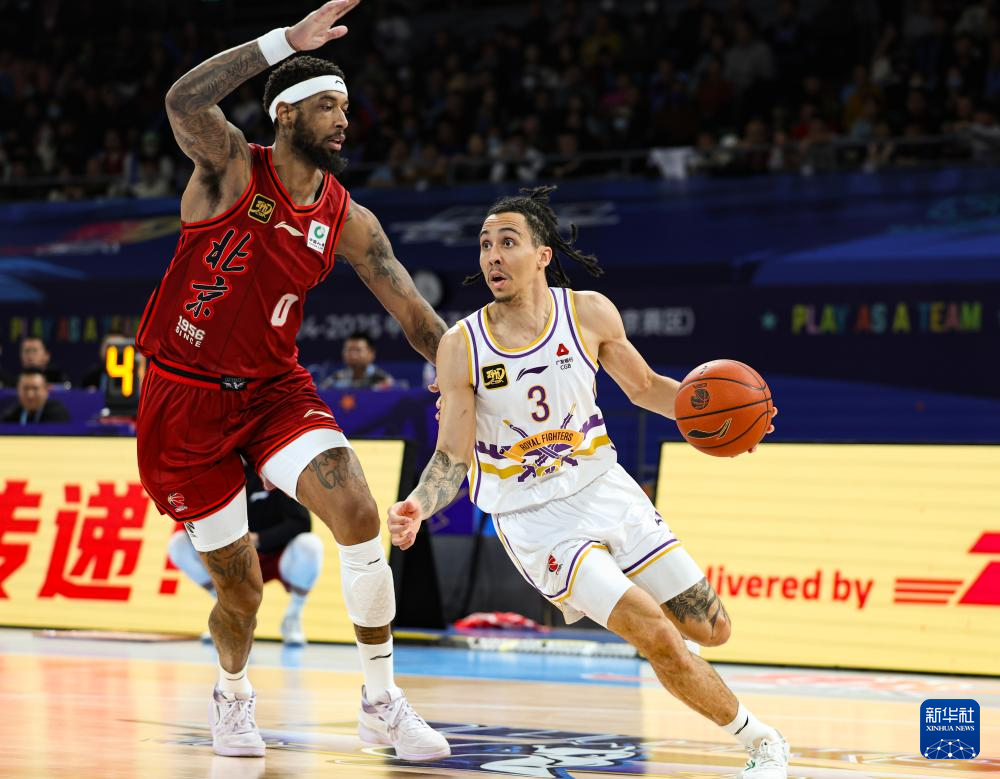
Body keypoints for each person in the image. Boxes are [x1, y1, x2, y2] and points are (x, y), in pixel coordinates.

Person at [134, 0, 449, 761]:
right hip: (184, 397)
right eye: (327, 105)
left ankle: (381, 701)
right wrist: (284, 42)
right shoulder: (231, 168)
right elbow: (182, 100)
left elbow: (414, 312)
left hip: (274, 389)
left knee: (359, 510)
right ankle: (233, 694)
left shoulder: (347, 218)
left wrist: (467, 378)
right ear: (285, 112)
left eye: (346, 106)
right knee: (240, 591)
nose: (343, 119)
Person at [388, 186, 789, 778]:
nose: (492, 255)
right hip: (536, 521)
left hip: (605, 488)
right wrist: (419, 504)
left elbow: (646, 388)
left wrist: (726, 423)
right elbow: (453, 453)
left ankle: (681, 660)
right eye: (485, 245)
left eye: (507, 242)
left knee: (712, 628)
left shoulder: (589, 313)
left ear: (542, 255)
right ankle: (764, 743)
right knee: (655, 633)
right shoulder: (461, 346)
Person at [168, 463, 323, 646]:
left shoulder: (271, 470)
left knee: (310, 545)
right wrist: (222, 542)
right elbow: (191, 526)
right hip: (231, 559)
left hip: (274, 557)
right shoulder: (210, 476)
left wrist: (259, 539)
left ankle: (293, 616)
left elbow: (302, 522)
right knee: (178, 544)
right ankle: (226, 610)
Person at [321, 331, 395, 389]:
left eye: (358, 350)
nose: (353, 355)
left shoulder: (384, 380)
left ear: (371, 353)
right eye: (349, 350)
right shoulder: (336, 379)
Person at [1, 368, 71, 424]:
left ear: (46, 390)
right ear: (18, 390)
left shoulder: (57, 415)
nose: (30, 395)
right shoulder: (11, 416)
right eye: (25, 388)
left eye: (35, 388)